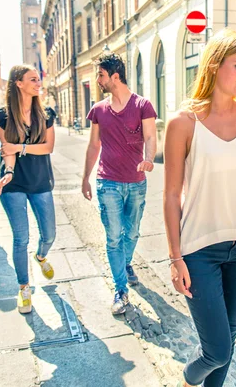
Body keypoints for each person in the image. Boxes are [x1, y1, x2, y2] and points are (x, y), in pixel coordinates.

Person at [164, 28, 236, 387]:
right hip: (199, 250)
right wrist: (175, 258)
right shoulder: (182, 123)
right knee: (217, 350)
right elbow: (171, 194)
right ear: (213, 65)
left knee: (230, 338)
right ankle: (188, 381)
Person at [82, 52, 157, 315]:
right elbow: (93, 145)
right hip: (108, 182)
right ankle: (121, 289)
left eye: (101, 75)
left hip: (136, 182)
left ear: (115, 76)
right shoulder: (99, 110)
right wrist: (85, 178)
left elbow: (150, 137)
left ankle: (125, 264)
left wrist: (149, 159)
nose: (98, 80)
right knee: (114, 237)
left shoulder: (142, 105)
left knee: (132, 233)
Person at [0, 65, 57, 314]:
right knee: (21, 238)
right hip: (14, 183)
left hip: (40, 181)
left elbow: (48, 148)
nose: (37, 83)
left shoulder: (45, 114)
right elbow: (7, 151)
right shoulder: (2, 116)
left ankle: (40, 257)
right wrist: (7, 172)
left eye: (38, 79)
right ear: (18, 83)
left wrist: (21, 148)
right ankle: (24, 288)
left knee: (49, 234)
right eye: (32, 79)